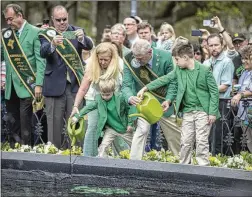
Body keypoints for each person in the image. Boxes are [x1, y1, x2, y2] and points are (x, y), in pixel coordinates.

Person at [137, 42, 220, 166]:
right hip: (187, 111)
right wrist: (145, 88)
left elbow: (214, 92)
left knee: (201, 140)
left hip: (203, 110)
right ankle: (184, 165)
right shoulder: (179, 70)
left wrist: (212, 112)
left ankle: (203, 166)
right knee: (185, 140)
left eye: (177, 59)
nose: (175, 62)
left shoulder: (204, 70)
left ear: (185, 58)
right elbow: (164, 79)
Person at [39, 5, 93, 149]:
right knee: (54, 126)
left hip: (75, 85)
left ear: (68, 16)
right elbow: (42, 52)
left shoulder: (76, 31)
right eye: (58, 20)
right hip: (54, 85)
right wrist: (52, 44)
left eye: (64, 19)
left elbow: (89, 46)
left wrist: (83, 39)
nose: (62, 22)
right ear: (52, 19)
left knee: (76, 123)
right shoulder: (45, 34)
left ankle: (76, 154)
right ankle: (54, 154)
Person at [122, 39, 180, 160]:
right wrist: (129, 97)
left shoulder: (166, 57)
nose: (137, 61)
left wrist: (169, 100)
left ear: (149, 52)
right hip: (144, 102)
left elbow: (173, 82)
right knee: (142, 130)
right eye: (135, 57)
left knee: (174, 136)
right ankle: (134, 163)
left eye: (140, 58)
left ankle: (181, 163)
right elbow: (126, 85)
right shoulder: (128, 59)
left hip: (164, 102)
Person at [1, 4, 46, 146]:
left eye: (10, 19)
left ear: (20, 16)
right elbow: (3, 56)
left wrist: (39, 84)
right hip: (10, 87)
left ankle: (27, 154)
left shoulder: (35, 32)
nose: (8, 22)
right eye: (6, 20)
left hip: (28, 85)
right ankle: (14, 153)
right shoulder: (7, 35)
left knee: (26, 124)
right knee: (12, 124)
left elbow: (41, 61)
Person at [70, 42, 122, 156]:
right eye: (100, 59)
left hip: (113, 100)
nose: (102, 62)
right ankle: (89, 158)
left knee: (117, 129)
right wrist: (75, 106)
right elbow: (83, 89)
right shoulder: (92, 67)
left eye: (105, 60)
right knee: (92, 127)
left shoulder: (119, 66)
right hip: (94, 99)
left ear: (112, 58)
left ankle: (123, 157)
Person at [71, 78, 134, 157]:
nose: (105, 97)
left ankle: (142, 161)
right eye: (103, 94)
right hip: (110, 129)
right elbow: (89, 107)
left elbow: (130, 109)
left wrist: (130, 124)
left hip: (124, 128)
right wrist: (77, 116)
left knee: (135, 145)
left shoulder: (120, 98)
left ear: (113, 91)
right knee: (103, 146)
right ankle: (101, 163)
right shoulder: (99, 99)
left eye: (108, 95)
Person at [204, 33, 234, 155]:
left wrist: (207, 90)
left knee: (218, 136)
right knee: (207, 136)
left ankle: (217, 161)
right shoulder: (206, 63)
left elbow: (224, 86)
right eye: (211, 45)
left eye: (216, 45)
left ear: (222, 45)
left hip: (222, 103)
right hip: (207, 103)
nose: (214, 48)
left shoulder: (227, 62)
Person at [231, 45, 252, 153]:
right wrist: (235, 92)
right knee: (249, 143)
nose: (243, 61)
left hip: (250, 113)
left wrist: (240, 95)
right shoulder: (244, 73)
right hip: (244, 115)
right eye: (242, 58)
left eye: (246, 58)